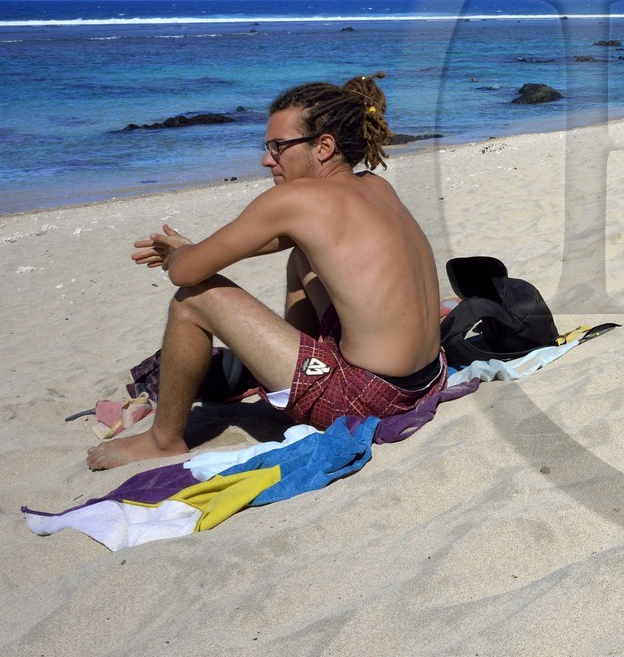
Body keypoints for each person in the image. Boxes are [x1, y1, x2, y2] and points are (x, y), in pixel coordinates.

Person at [87, 73, 445, 470]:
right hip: (428, 378)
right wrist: (192, 252)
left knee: (194, 300)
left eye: (278, 147)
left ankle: (162, 440)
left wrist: (182, 254)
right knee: (303, 259)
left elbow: (186, 274)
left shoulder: (293, 198)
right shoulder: (376, 186)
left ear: (323, 146)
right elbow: (274, 243)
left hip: (367, 398)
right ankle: (299, 377)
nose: (266, 159)